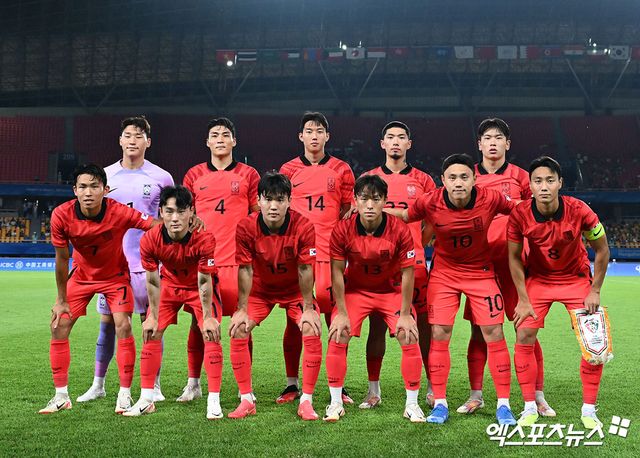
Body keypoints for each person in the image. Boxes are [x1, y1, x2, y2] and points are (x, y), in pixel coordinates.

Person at [388, 153, 517, 425]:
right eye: (453, 177)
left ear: (474, 179)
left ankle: (504, 405)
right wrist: (373, 211)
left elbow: (519, 209)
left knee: (494, 332)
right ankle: (440, 403)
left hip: (480, 272)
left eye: (464, 177)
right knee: (439, 333)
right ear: (443, 181)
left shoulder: (491, 198)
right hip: (445, 274)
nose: (459, 183)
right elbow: (405, 215)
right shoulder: (430, 201)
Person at [40, 163, 156, 414]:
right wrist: (61, 299)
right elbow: (61, 259)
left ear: (105, 189)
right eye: (83, 186)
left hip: (115, 277)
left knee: (123, 325)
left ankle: (124, 394)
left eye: (94, 186)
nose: (88, 192)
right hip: (81, 276)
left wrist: (182, 223)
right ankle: (61, 396)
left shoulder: (119, 211)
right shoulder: (61, 215)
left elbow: (154, 225)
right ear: (75, 190)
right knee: (59, 325)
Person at [458, 118, 553, 417]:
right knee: (479, 331)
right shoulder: (466, 176)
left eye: (499, 137)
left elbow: (537, 217)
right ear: (479, 144)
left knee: (527, 331)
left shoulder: (522, 177)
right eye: (487, 137)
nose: (493, 142)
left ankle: (537, 396)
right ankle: (476, 395)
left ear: (507, 144)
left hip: (515, 267)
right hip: (481, 267)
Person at [507, 156, 610, 429]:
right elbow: (514, 257)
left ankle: (589, 410)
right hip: (539, 280)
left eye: (550, 180)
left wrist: (595, 290)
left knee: (595, 342)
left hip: (575, 280)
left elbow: (602, 250)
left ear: (560, 183)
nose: (544, 186)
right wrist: (523, 299)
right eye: (538, 181)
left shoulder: (580, 210)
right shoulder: (519, 214)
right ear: (530, 185)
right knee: (524, 333)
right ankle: (529, 406)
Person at [77, 116, 174, 404]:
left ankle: (154, 385)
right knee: (107, 324)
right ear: (120, 140)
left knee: (151, 323)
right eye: (128, 135)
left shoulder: (162, 178)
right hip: (112, 266)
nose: (133, 140)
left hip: (147, 265)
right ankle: (98, 384)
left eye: (139, 135)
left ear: (148, 142)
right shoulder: (105, 177)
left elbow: (169, 218)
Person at [324, 174, 424, 423]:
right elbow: (337, 272)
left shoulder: (399, 229)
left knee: (408, 334)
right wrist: (341, 313)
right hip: (356, 291)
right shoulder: (342, 229)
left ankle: (412, 405)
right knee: (338, 332)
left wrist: (405, 314)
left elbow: (408, 273)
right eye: (364, 199)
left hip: (390, 291)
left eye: (376, 199)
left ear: (385, 201)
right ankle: (335, 403)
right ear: (355, 200)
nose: (370, 205)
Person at [227, 172, 323, 420]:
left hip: (294, 291)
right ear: (258, 200)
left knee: (311, 327)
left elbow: (305, 268)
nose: (273, 206)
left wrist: (309, 308)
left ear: (289, 201)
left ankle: (306, 400)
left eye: (280, 199)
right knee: (239, 328)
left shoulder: (303, 226)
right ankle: (246, 399)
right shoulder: (246, 227)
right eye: (268, 199)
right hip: (261, 292)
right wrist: (241, 309)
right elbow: (245, 269)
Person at [124, 186, 223, 419]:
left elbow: (204, 281)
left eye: (181, 211)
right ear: (161, 212)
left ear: (191, 212)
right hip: (169, 285)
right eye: (169, 211)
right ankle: (146, 399)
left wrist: (208, 317)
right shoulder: (150, 239)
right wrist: (152, 316)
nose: (175, 218)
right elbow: (152, 280)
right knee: (151, 331)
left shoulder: (204, 238)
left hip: (199, 287)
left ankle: (213, 400)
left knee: (210, 333)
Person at [180, 117, 260, 402]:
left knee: (242, 324)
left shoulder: (249, 175)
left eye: (226, 135)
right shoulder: (194, 175)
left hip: (238, 262)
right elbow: (184, 216)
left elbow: (257, 215)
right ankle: (193, 383)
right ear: (207, 142)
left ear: (234, 141)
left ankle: (244, 387)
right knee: (198, 323)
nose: (220, 139)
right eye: (215, 135)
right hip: (204, 263)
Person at [279, 112, 355, 404]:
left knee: (335, 318)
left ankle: (339, 384)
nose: (314, 135)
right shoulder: (288, 169)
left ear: (327, 136)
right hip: (297, 257)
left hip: (330, 255)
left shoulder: (342, 169)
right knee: (295, 321)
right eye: (309, 131)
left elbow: (347, 210)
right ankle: (291, 384)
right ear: (301, 136)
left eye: (319, 130)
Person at [360, 121, 436, 409]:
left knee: (424, 327)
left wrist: (419, 242)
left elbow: (433, 221)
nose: (395, 141)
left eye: (401, 137)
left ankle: (431, 386)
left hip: (414, 266)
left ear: (408, 144)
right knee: (376, 327)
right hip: (379, 267)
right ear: (382, 144)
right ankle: (373, 390)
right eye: (390, 137)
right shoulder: (369, 178)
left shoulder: (424, 180)